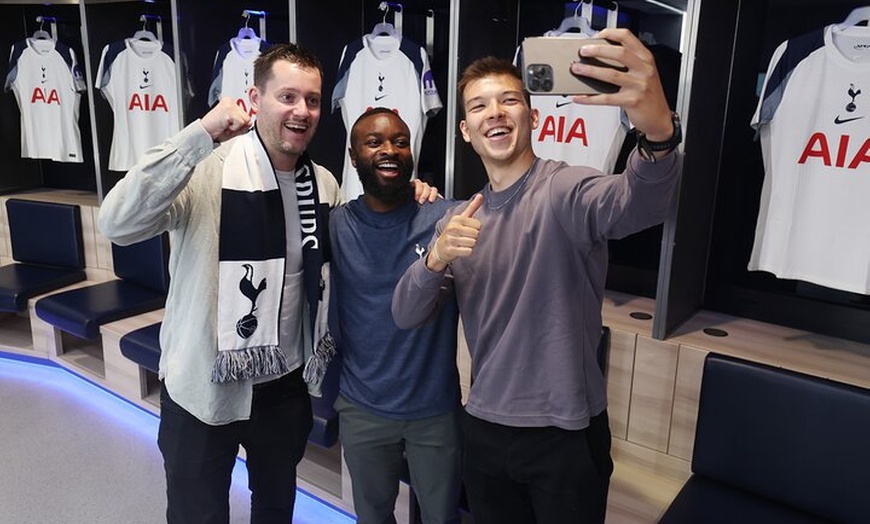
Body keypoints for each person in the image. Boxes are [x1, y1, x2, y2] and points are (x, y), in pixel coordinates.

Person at [97, 44, 434, 524]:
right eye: (288, 97)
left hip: (283, 387)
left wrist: (413, 197)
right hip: (203, 387)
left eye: (313, 100)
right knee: (197, 515)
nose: (302, 111)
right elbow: (117, 223)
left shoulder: (322, 184)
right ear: (255, 98)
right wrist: (201, 134)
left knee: (275, 509)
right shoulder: (205, 170)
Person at [392, 28, 683, 524]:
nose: (496, 113)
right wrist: (435, 256)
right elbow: (406, 313)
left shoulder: (566, 189)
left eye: (509, 100)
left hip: (565, 434)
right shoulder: (460, 221)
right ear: (466, 130)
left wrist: (658, 134)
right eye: (480, 106)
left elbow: (642, 202)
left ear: (533, 116)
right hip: (483, 426)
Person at [329, 107, 462, 524]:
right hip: (363, 406)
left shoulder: (446, 218)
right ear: (353, 156)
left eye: (400, 142)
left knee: (442, 518)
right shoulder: (336, 225)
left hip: (434, 410)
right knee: (372, 517)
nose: (389, 150)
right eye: (375, 142)